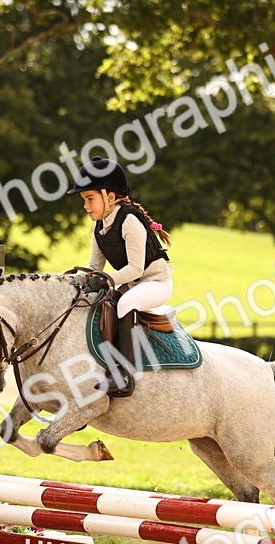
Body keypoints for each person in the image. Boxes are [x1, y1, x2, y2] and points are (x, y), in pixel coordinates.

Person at [68, 156, 174, 397]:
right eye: (84, 200)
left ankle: (124, 375)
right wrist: (72, 283)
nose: (85, 206)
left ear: (110, 197)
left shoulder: (129, 220)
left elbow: (136, 269)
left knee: (126, 303)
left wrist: (107, 280)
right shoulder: (99, 226)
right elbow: (94, 266)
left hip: (155, 283)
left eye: (90, 199)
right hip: (131, 284)